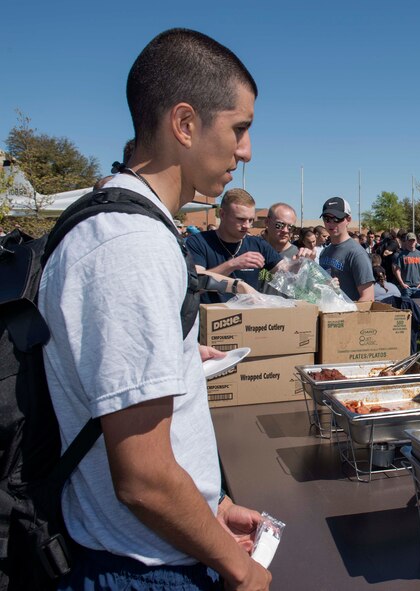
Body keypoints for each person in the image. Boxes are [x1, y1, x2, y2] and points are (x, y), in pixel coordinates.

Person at [38, 28, 270, 589]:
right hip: (142, 569)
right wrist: (239, 568)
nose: (246, 152)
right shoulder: (130, 247)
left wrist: (209, 510)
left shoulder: (136, 232)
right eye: (239, 129)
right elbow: (143, 476)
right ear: (185, 124)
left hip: (164, 545)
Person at [186, 188, 283, 302]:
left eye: (251, 220)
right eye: (241, 219)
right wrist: (233, 264)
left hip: (249, 317)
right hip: (211, 316)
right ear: (222, 214)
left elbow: (284, 270)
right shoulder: (198, 241)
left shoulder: (258, 244)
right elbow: (196, 281)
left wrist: (303, 259)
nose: (247, 226)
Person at [317, 196, 374, 302]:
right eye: (327, 219)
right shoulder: (324, 252)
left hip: (347, 316)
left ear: (348, 220)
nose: (331, 223)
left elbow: (368, 298)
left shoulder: (357, 253)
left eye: (337, 218)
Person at [393, 232, 420, 298]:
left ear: (416, 241)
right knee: (406, 307)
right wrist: (402, 283)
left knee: (417, 306)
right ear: (406, 242)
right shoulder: (401, 255)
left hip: (417, 287)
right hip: (406, 287)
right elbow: (397, 270)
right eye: (410, 240)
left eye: (413, 240)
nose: (412, 242)